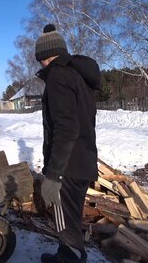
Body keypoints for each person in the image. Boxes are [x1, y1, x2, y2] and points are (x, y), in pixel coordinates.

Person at [35, 24, 101, 263]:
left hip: (68, 167)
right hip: (82, 160)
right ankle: (67, 254)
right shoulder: (79, 76)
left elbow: (66, 128)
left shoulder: (57, 76)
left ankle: (70, 257)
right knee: (71, 219)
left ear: (44, 56)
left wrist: (53, 175)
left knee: (65, 223)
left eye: (39, 58)